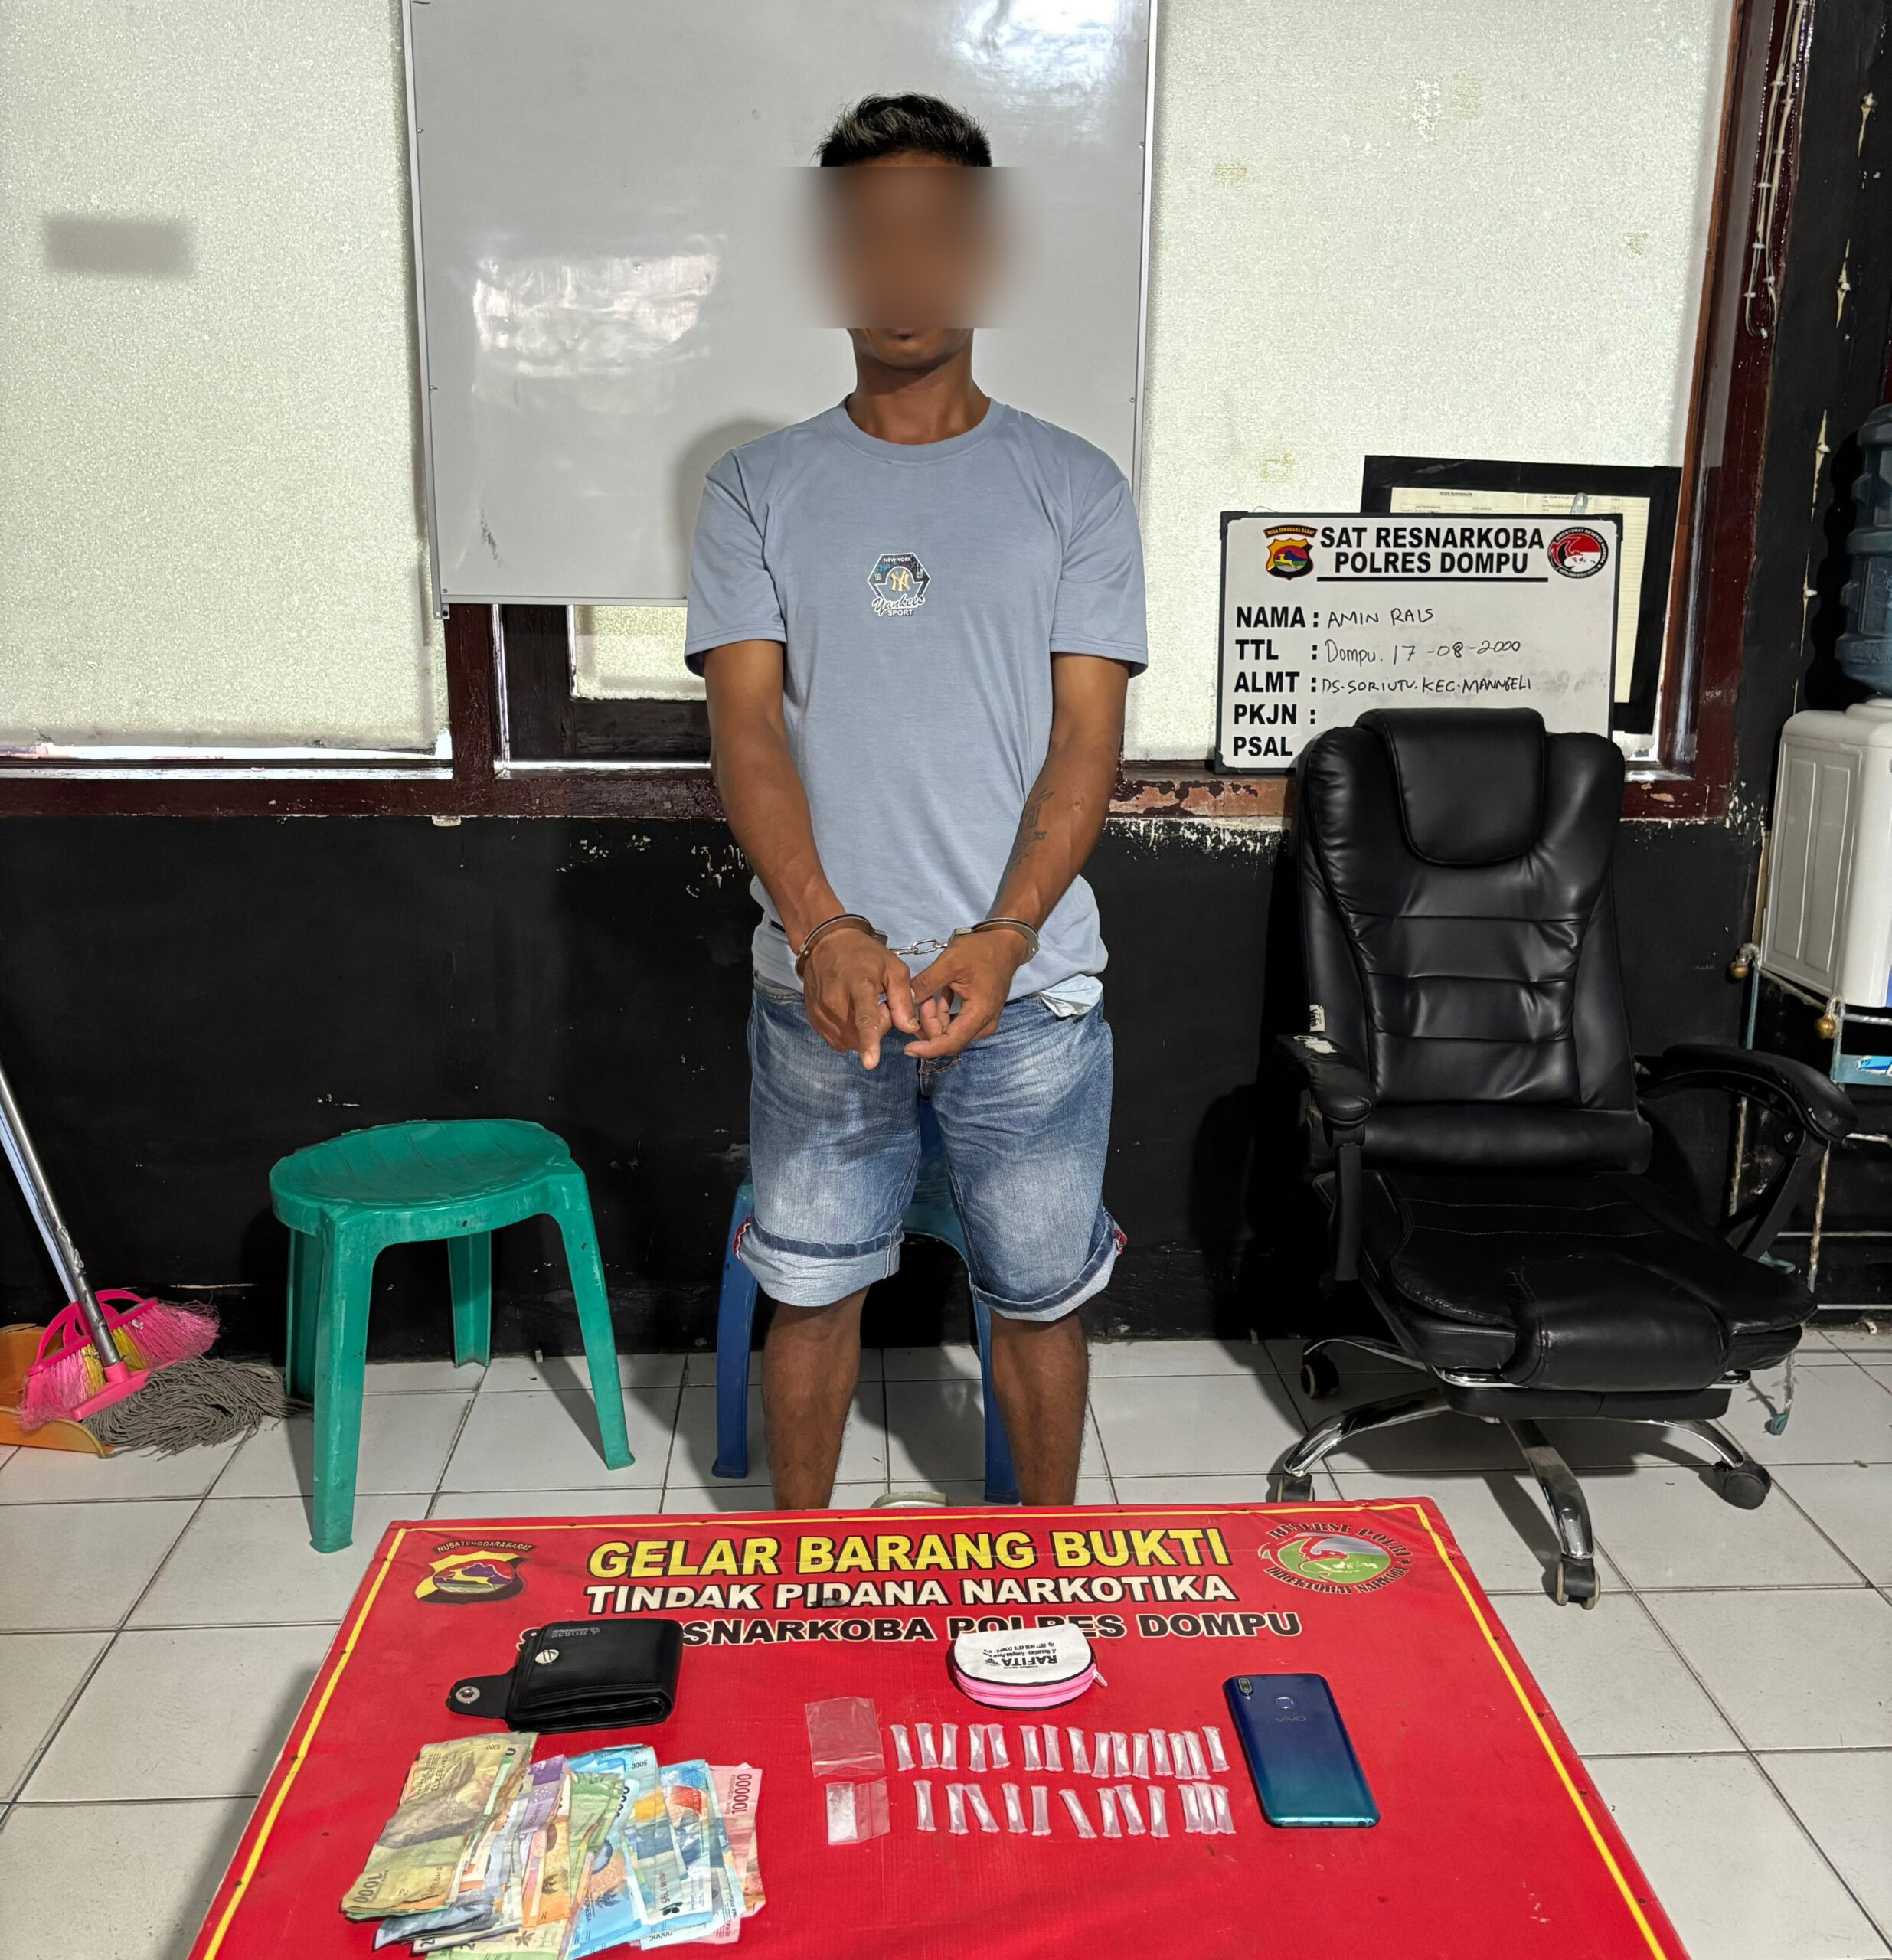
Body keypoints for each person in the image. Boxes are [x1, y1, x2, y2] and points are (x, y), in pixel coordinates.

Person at [685, 93, 1147, 1509]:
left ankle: (1044, 1571)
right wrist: (824, 930)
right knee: (813, 1290)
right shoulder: (755, 488)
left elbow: (1085, 743)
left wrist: (1005, 938)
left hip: (1031, 995)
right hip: (825, 992)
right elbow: (747, 731)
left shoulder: (1075, 487)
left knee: (1041, 1301)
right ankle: (802, 1579)